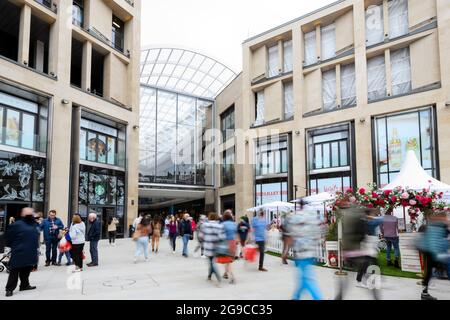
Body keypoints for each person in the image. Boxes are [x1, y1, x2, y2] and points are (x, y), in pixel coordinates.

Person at [286, 199, 323, 300]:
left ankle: (317, 298)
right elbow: (318, 235)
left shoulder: (295, 217)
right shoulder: (313, 217)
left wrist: (287, 251)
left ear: (299, 206)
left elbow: (291, 236)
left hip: (301, 252)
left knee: (307, 279)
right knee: (303, 277)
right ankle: (296, 296)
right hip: (310, 252)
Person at [4, 207, 39, 297]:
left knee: (26, 270)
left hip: (30, 251)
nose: (31, 215)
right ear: (23, 214)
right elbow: (8, 238)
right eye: (29, 214)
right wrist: (14, 246)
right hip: (19, 251)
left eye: (31, 214)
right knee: (14, 271)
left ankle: (24, 285)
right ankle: (9, 289)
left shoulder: (33, 224)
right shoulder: (16, 224)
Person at [416, 211, 449, 300]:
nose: (447, 219)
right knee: (430, 272)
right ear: (441, 218)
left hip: (429, 251)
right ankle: (424, 293)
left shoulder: (436, 225)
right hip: (431, 251)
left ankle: (425, 292)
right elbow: (434, 242)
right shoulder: (438, 226)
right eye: (445, 217)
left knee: (430, 272)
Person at [198, 212, 226, 285]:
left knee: (211, 262)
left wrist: (202, 241)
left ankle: (218, 278)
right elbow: (222, 237)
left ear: (209, 217)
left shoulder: (204, 225)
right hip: (216, 247)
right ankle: (209, 276)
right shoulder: (219, 226)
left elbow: (200, 236)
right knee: (212, 262)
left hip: (207, 247)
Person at [221, 210, 237, 284]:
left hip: (225, 243)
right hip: (233, 243)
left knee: (227, 260)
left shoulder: (223, 224)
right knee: (228, 260)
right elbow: (236, 234)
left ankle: (232, 277)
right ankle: (225, 273)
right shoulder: (234, 224)